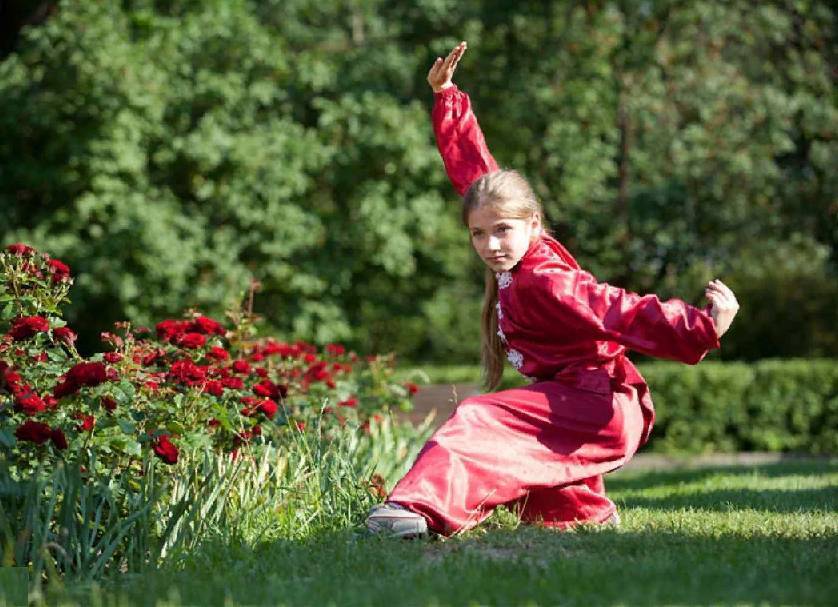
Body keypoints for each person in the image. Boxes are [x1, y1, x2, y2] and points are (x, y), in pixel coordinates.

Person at [366, 41, 740, 538]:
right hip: (578, 399)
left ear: (533, 224)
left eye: (503, 231)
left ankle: (415, 509)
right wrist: (448, 97)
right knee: (533, 482)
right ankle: (582, 511)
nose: (491, 244)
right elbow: (479, 180)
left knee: (479, 416)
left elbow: (616, 309)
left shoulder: (544, 278)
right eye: (479, 233)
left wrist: (699, 327)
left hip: (597, 405)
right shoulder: (519, 250)